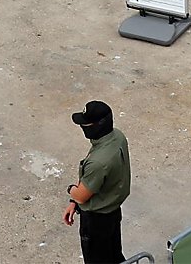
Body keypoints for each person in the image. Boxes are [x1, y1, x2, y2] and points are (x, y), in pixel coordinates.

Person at [65, 100, 131, 264]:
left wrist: (71, 190)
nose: (82, 127)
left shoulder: (98, 162)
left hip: (96, 221)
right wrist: (74, 203)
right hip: (113, 211)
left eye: (85, 124)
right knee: (114, 254)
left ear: (98, 125)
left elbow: (81, 196)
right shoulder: (117, 137)